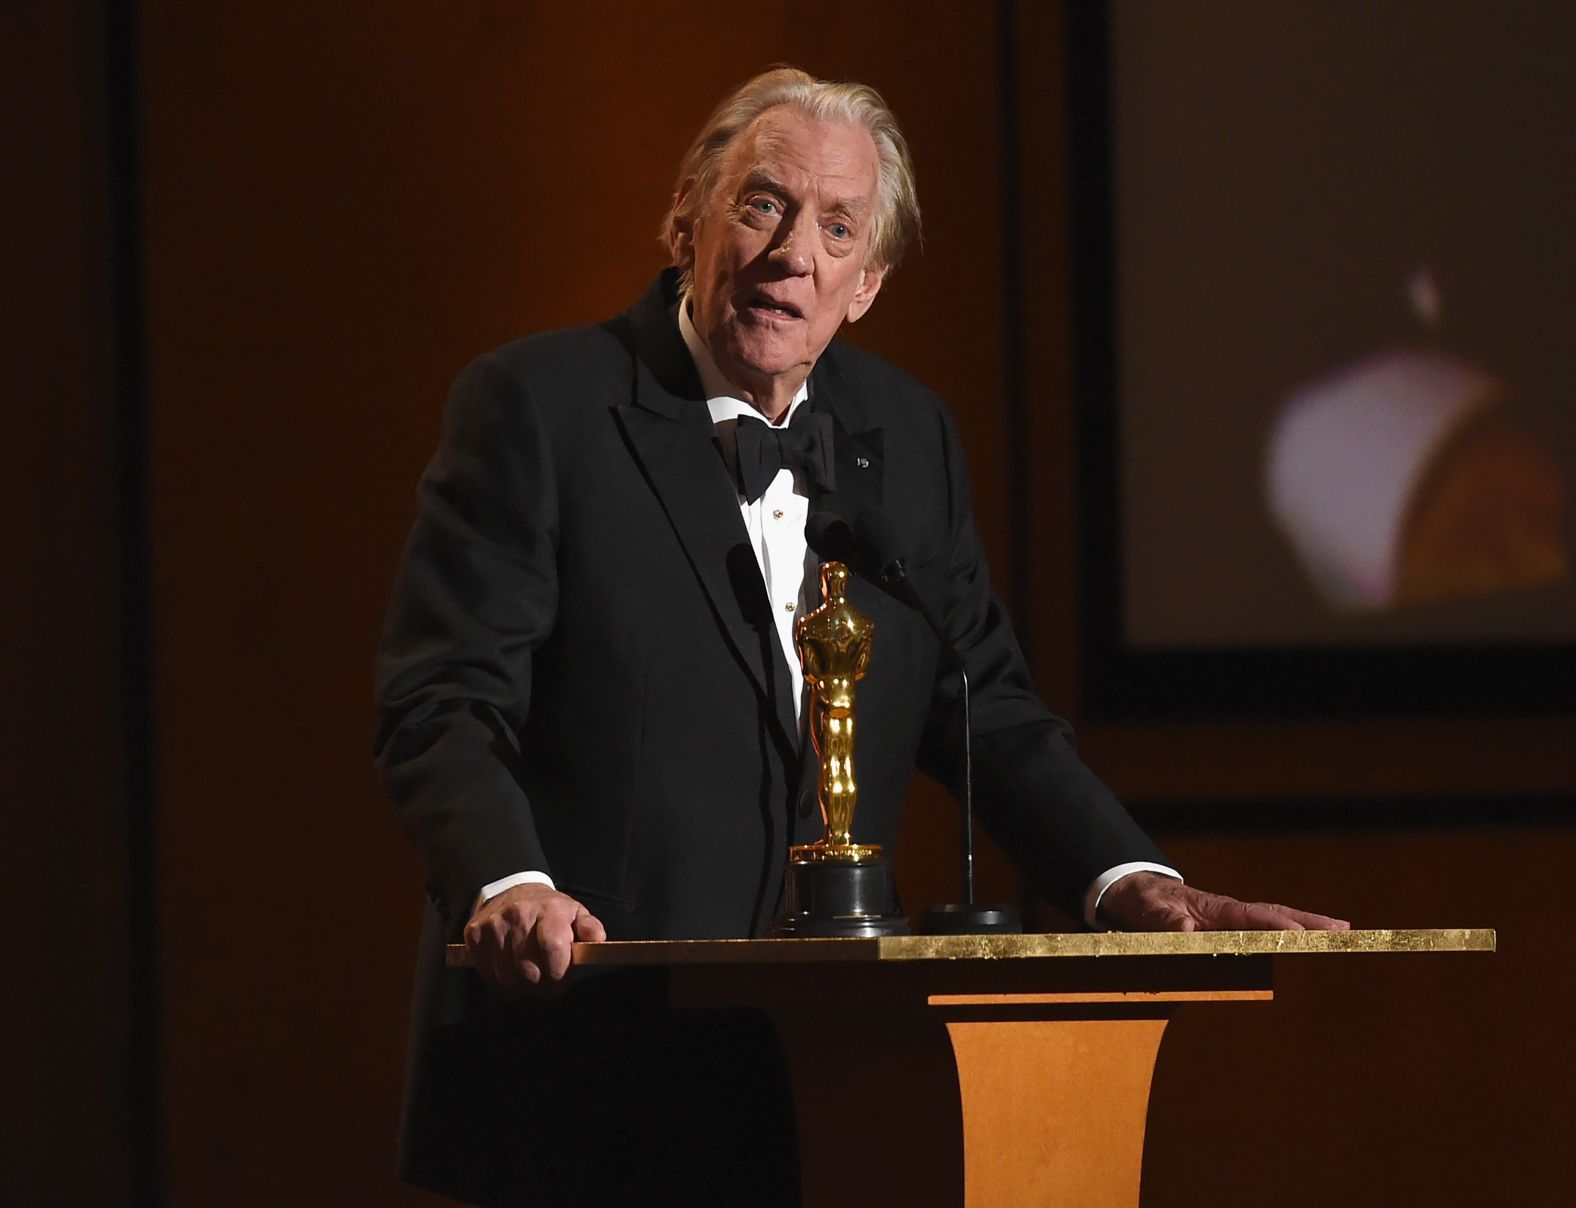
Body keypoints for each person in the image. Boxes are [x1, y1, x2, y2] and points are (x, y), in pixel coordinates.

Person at [375, 66, 1345, 1205]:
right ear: (684, 216)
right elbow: (442, 697)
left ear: (867, 284)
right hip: (581, 1075)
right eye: (762, 204)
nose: (795, 253)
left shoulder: (905, 434)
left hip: (829, 1094)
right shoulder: (540, 406)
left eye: (837, 228)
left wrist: (1127, 878)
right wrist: (509, 880)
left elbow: (983, 698)